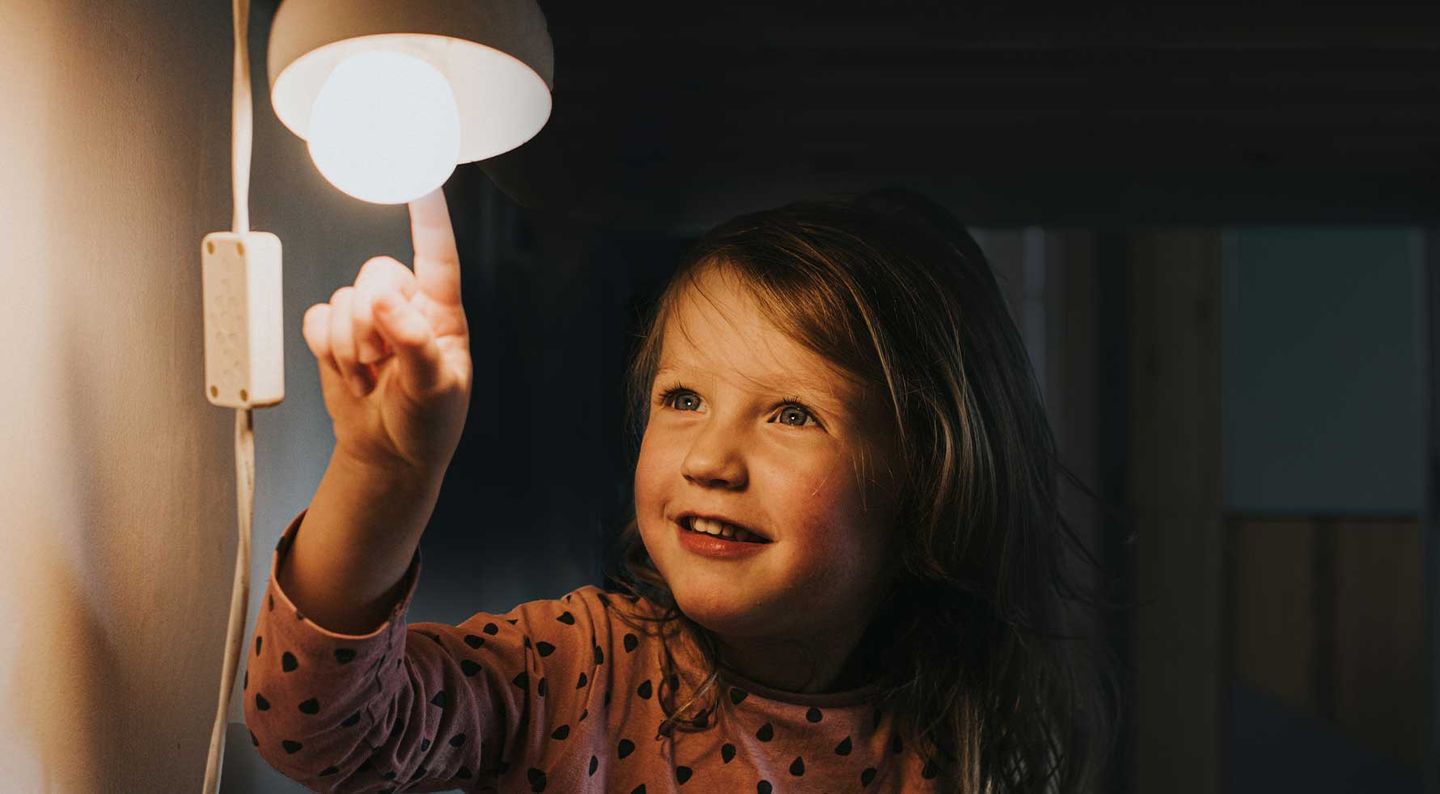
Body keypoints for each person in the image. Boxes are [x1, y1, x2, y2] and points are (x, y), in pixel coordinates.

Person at [244, 186, 1119, 792]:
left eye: (790, 414)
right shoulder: (578, 670)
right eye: (683, 398)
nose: (711, 458)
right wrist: (386, 475)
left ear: (925, 476)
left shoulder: (958, 745)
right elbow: (317, 732)